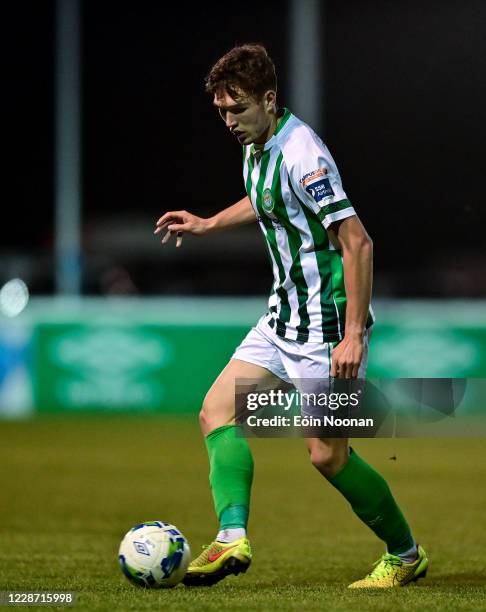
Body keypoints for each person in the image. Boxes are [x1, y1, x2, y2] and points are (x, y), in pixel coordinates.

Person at [154, 43, 428, 588]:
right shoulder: (258, 144)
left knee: (327, 456)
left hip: (326, 330)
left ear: (270, 99)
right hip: (281, 318)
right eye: (222, 113)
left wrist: (352, 335)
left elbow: (358, 243)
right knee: (216, 412)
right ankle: (232, 539)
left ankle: (405, 554)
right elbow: (265, 200)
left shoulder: (304, 155)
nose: (230, 122)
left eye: (238, 110)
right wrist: (208, 224)